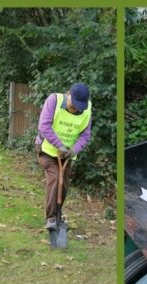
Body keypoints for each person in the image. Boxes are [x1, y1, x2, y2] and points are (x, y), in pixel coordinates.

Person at [35, 84, 92, 240]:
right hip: (47, 149)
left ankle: (58, 215)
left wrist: (74, 150)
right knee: (55, 179)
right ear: (68, 95)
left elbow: (85, 135)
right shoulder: (54, 100)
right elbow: (44, 125)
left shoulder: (87, 110)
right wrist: (59, 145)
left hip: (67, 155)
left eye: (80, 107)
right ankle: (51, 218)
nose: (76, 110)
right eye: (74, 106)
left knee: (64, 184)